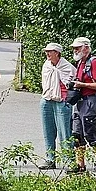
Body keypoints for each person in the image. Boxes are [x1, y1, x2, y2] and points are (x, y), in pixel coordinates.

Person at [67, 36, 96, 174]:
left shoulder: (94, 62)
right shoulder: (81, 62)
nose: (75, 50)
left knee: (90, 133)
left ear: (86, 48)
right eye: (74, 48)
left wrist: (82, 85)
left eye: (77, 48)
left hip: (90, 100)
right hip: (80, 101)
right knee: (77, 134)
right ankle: (80, 164)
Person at [37, 43, 75, 171]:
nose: (47, 54)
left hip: (61, 101)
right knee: (48, 131)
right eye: (46, 51)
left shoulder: (67, 66)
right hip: (47, 99)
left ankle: (68, 160)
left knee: (65, 132)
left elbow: (71, 83)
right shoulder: (46, 65)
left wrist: (65, 97)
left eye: (50, 51)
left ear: (57, 53)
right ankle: (50, 159)